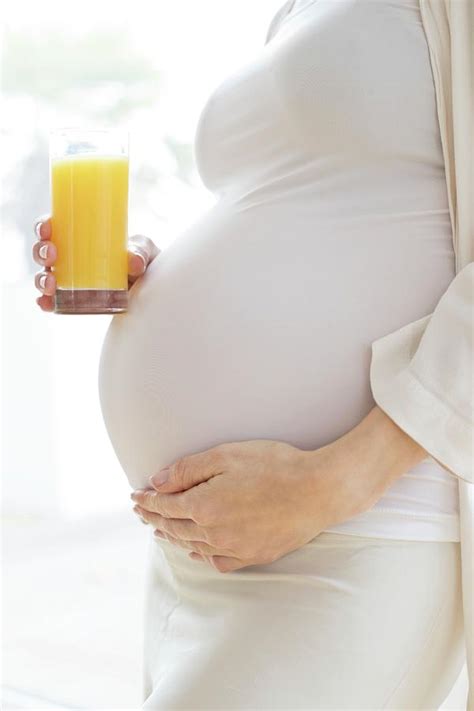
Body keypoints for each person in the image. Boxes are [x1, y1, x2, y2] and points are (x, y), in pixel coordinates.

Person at [33, 0, 473, 708]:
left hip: (355, 529)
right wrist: (154, 266)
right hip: (203, 551)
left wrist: (338, 480)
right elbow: (327, 208)